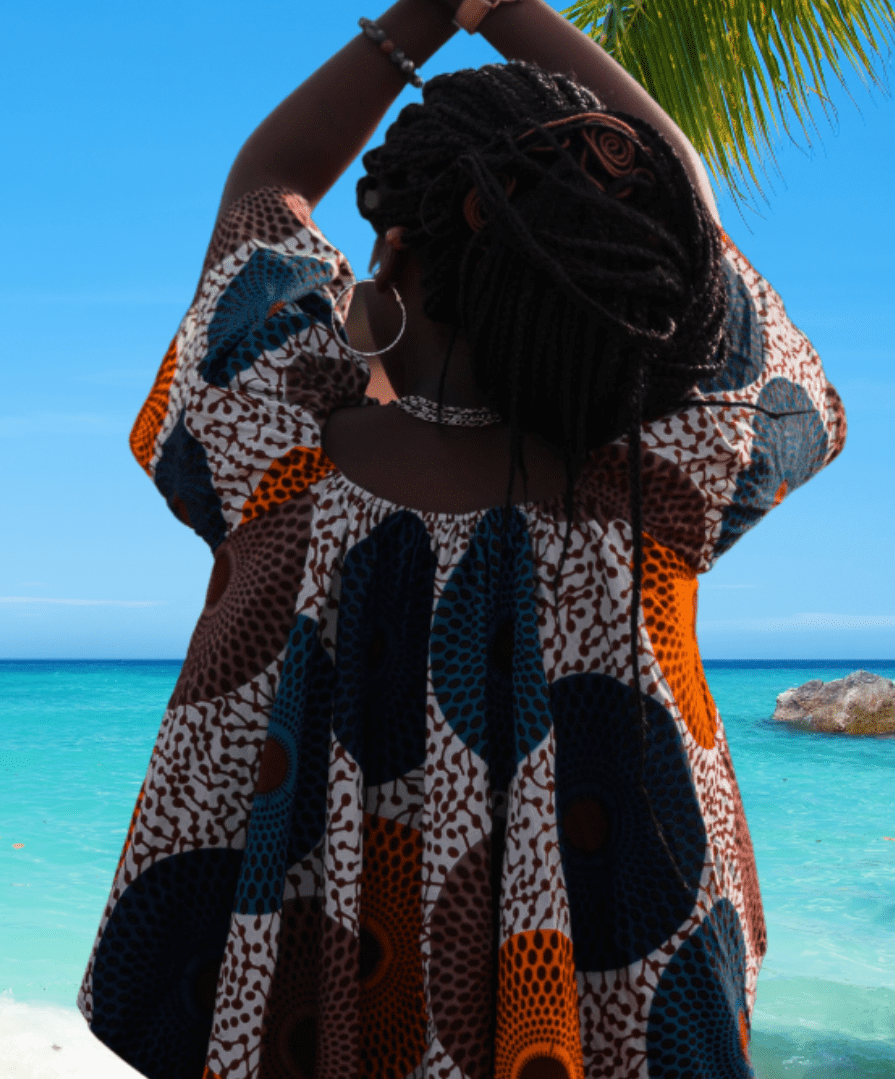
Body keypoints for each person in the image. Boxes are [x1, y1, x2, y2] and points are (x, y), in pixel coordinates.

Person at [76, 1, 845, 1077]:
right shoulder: (658, 483)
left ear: (389, 251)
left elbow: (266, 182)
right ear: (631, 281)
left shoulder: (277, 451)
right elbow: (697, 229)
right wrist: (517, 15)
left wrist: (433, 15)